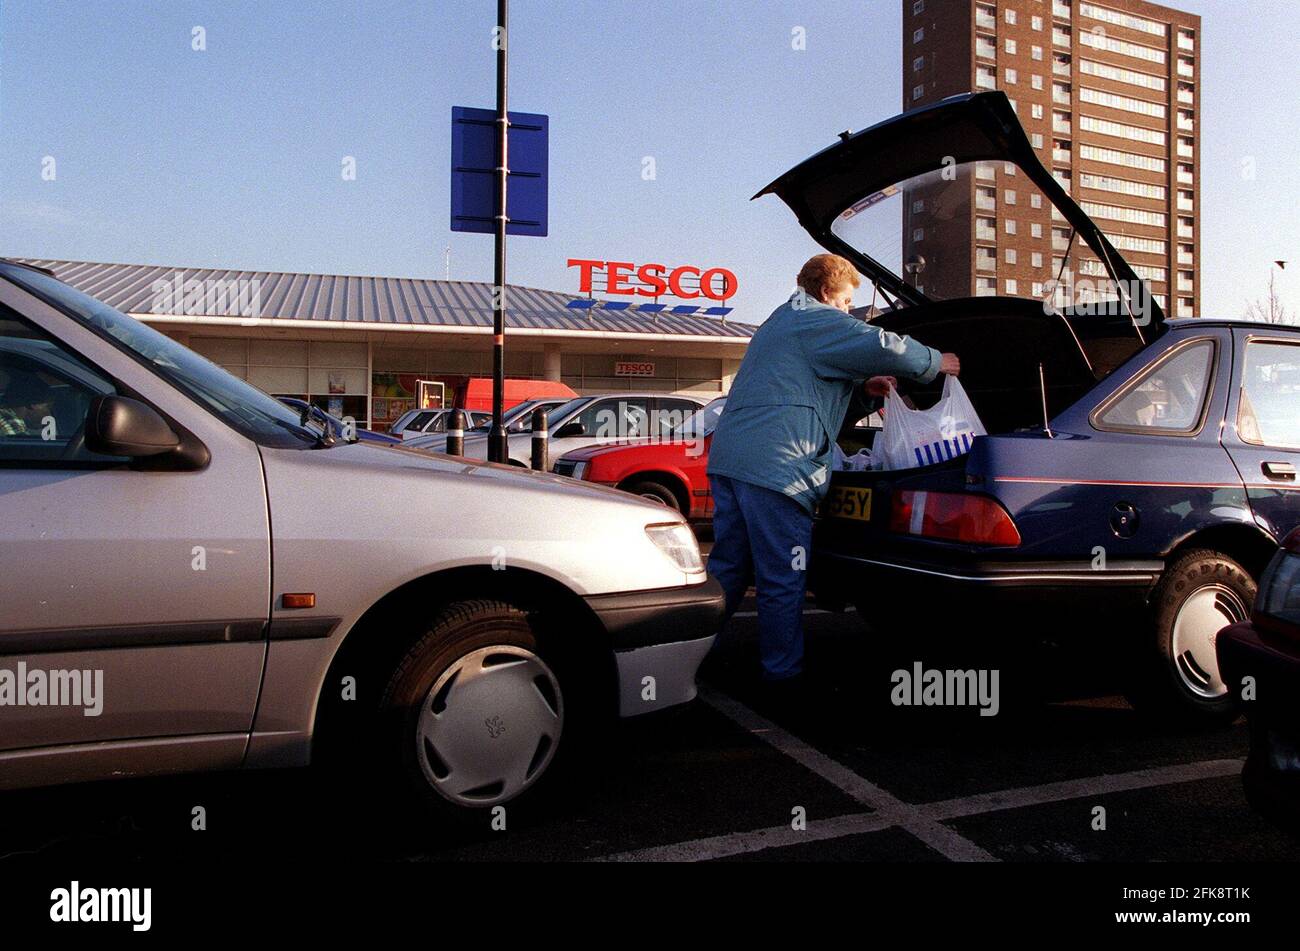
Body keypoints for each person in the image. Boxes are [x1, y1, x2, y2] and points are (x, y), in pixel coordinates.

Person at [706, 253, 960, 688]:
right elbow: (881, 344)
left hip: (734, 461)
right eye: (845, 301)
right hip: (777, 465)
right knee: (782, 576)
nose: (847, 310)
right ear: (827, 293)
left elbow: (809, 388)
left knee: (730, 568)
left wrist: (865, 392)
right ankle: (782, 675)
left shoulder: (780, 322)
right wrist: (938, 363)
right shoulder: (815, 318)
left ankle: (692, 655)